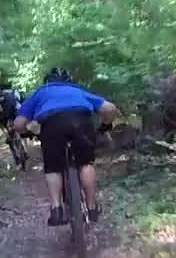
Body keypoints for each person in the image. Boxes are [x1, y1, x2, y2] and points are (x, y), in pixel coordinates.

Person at [13, 67, 118, 226]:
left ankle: (57, 209)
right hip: (81, 120)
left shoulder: (41, 92)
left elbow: (18, 123)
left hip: (52, 124)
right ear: (68, 81)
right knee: (85, 163)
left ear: (47, 81)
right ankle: (91, 207)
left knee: (53, 167)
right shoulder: (77, 90)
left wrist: (26, 133)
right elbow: (109, 108)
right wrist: (105, 126)